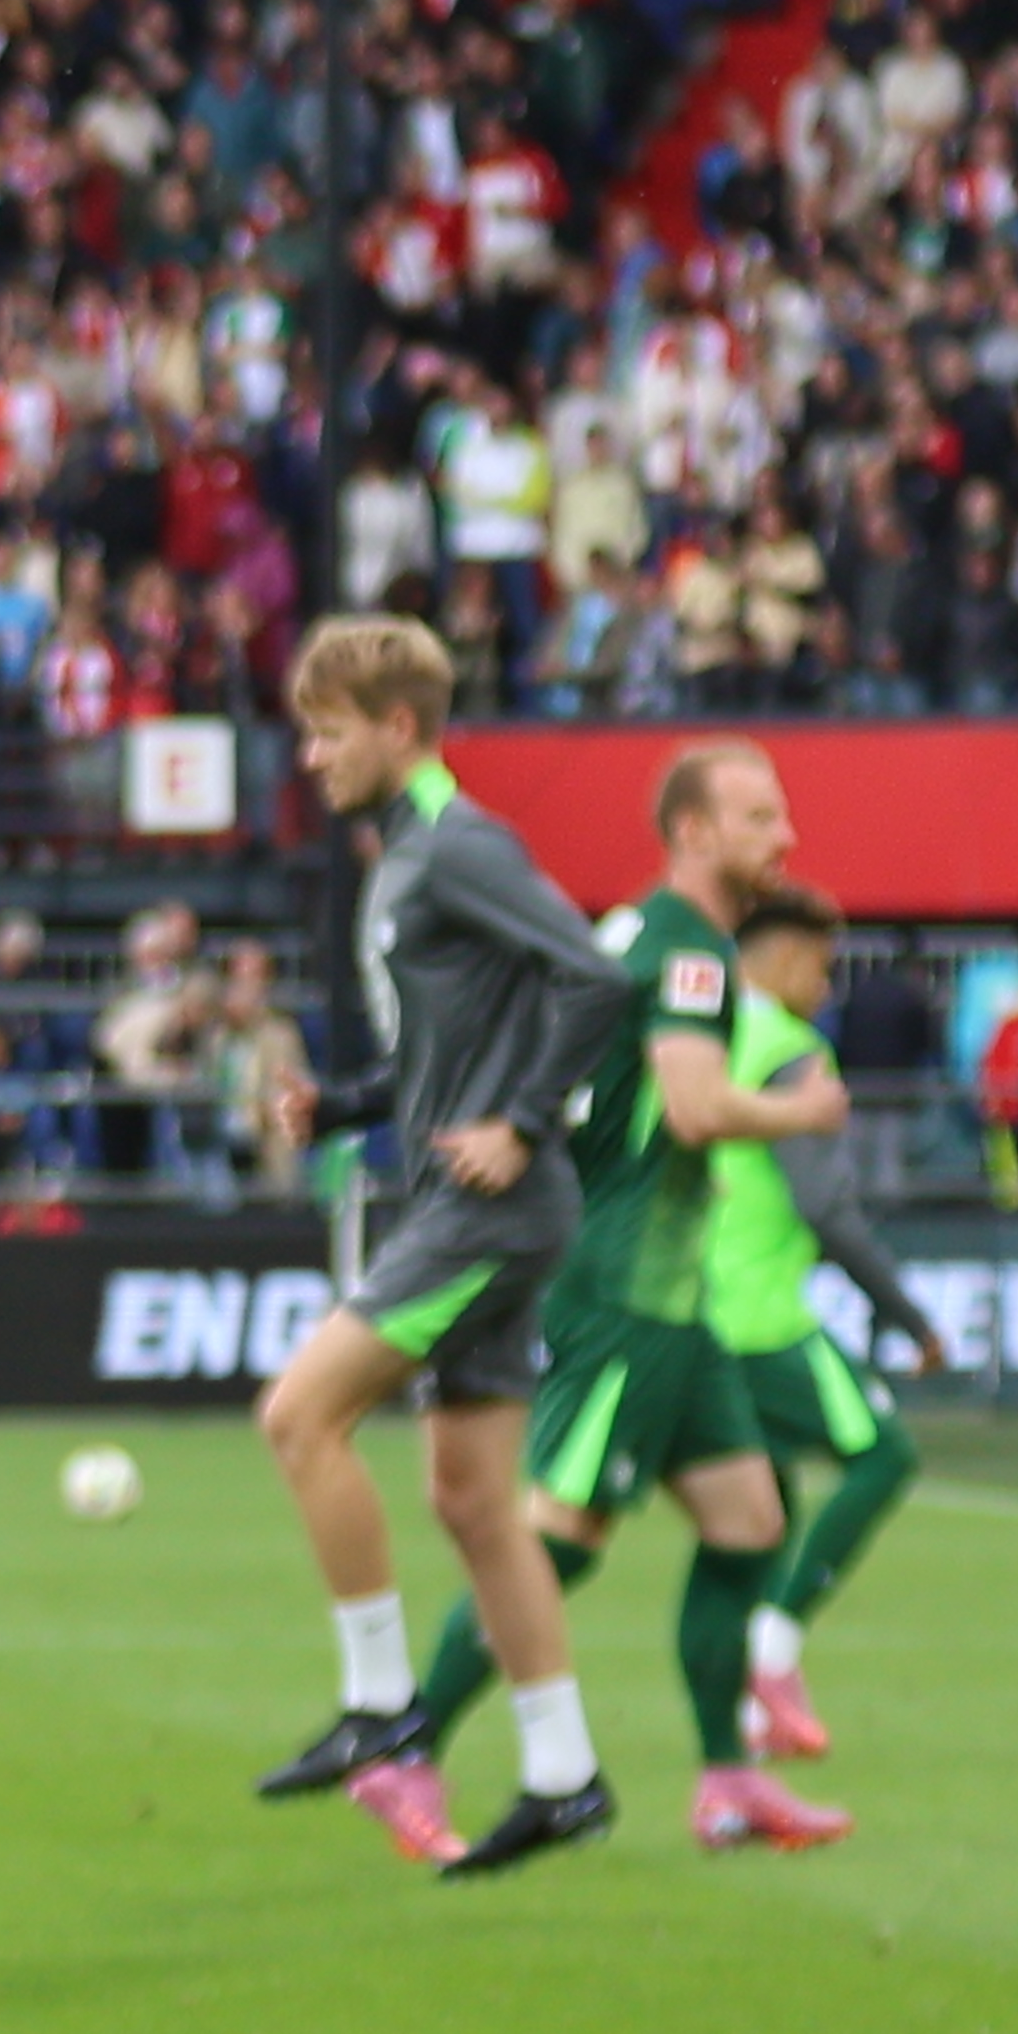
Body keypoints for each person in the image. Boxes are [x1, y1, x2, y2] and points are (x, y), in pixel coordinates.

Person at [381, 738, 859, 1859]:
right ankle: (403, 1751)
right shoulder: (685, 950)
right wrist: (803, 1113)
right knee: (559, 1537)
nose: (785, 837)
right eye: (758, 817)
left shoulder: (639, 935)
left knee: (749, 1523)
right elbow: (694, 1108)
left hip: (670, 1298)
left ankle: (728, 1783)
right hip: (618, 1289)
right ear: (693, 832)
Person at [241, 615, 637, 1878]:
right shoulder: (413, 857)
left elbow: (597, 978)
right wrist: (347, 1105)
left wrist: (523, 1121)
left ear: (399, 725)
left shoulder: (458, 845)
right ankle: (564, 1776)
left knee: (299, 1415)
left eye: (329, 731)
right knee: (473, 1503)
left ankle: (378, 1704)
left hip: (489, 1211)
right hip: (462, 1200)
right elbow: (448, 1052)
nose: (312, 757)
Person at [708, 884, 940, 1760]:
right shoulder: (788, 1049)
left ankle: (746, 1713)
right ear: (783, 958)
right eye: (822, 966)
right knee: (884, 1456)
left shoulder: (695, 1036)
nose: (826, 987)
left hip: (689, 1309)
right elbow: (823, 1206)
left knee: (760, 1513)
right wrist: (906, 1316)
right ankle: (773, 1653)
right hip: (761, 1319)